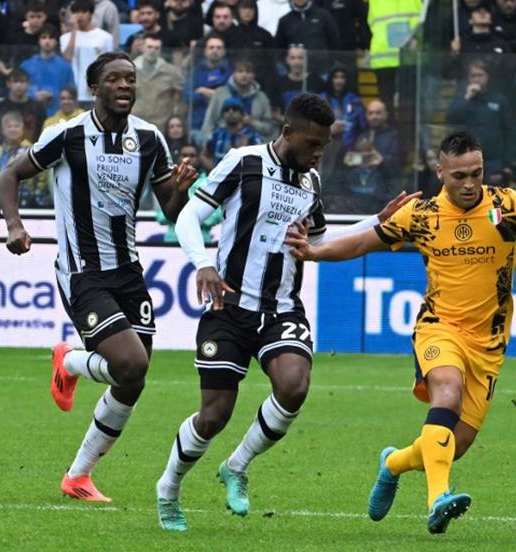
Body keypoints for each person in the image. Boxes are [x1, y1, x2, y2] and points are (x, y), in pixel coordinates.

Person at [285, 131, 516, 534]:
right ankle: (438, 500)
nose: (469, 184)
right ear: (440, 173)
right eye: (459, 176)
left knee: (457, 444)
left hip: (489, 343)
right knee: (446, 393)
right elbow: (363, 243)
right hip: (439, 328)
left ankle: (393, 463)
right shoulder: (421, 215)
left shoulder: (508, 206)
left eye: (476, 174)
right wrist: (314, 252)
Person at [153, 92, 419, 532]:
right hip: (229, 306)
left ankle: (236, 466)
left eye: (324, 146)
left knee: (293, 386)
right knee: (214, 415)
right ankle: (169, 488)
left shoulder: (310, 183)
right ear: (288, 133)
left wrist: (378, 220)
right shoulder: (243, 161)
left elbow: (319, 240)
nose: (318, 153)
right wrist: (202, 263)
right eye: (313, 143)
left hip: (281, 308)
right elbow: (188, 217)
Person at [0, 51, 199, 502]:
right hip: (83, 272)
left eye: (130, 79)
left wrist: (180, 194)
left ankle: (78, 476)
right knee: (131, 364)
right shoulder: (67, 135)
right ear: (95, 87)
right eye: (115, 79)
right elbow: (10, 174)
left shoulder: (149, 139)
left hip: (129, 271)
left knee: (133, 380)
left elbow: (170, 208)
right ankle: (68, 360)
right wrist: (14, 224)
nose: (126, 85)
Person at [60, 0, 114, 103]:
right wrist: (74, 31)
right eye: (76, 12)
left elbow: (109, 65)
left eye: (84, 12)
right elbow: (66, 58)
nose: (80, 16)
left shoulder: (105, 37)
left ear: (91, 14)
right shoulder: (65, 38)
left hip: (96, 91)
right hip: (73, 92)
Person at [20, 24, 77, 117]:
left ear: (56, 41)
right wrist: (34, 95)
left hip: (58, 115)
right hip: (30, 115)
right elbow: (17, 91)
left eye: (51, 38)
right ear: (38, 41)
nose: (47, 41)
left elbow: (72, 91)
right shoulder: (26, 65)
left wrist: (54, 95)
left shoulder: (65, 67)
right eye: (44, 37)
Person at [202, 97, 262, 171]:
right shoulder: (217, 134)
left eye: (235, 109)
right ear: (223, 114)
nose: (231, 112)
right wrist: (214, 171)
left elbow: (260, 159)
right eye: (227, 110)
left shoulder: (251, 135)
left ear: (242, 114)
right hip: (220, 180)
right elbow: (204, 155)